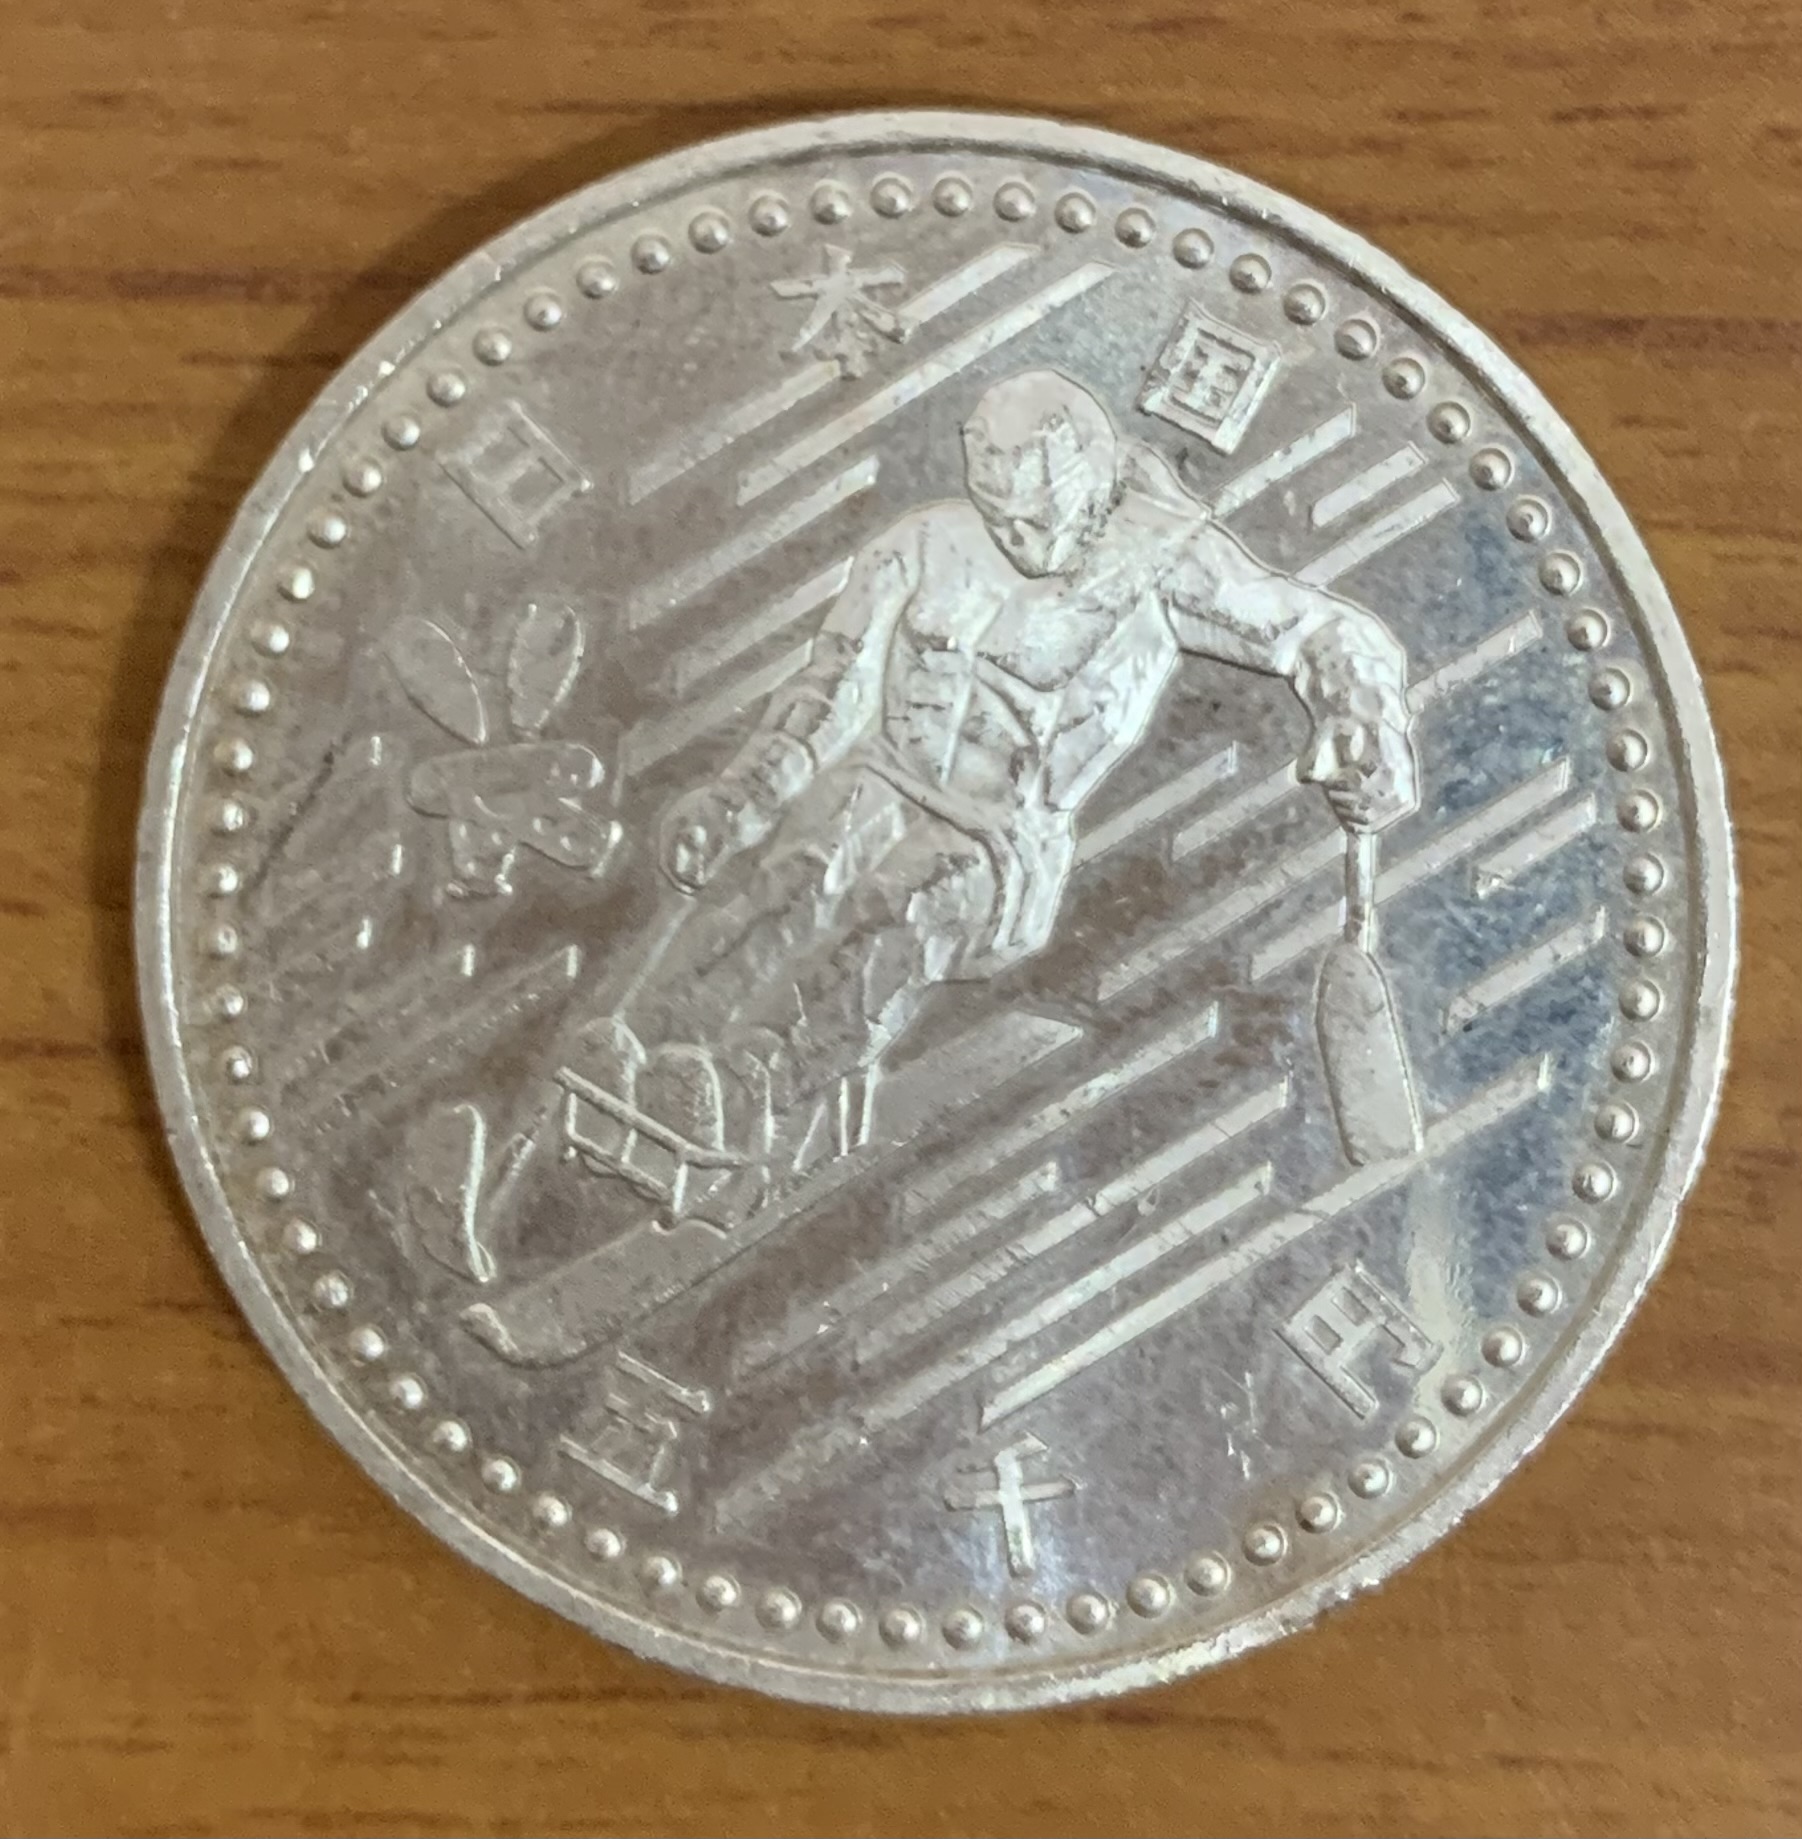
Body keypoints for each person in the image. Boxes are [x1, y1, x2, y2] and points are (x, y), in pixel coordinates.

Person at [558, 368, 1418, 1228]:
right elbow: (829, 694)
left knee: (899, 905)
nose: (1020, 537)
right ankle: (648, 1051)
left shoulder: (1165, 569)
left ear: (1093, 479)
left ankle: (750, 1091)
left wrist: (1364, 718)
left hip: (998, 843)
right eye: (999, 513)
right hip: (879, 781)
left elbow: (1324, 628)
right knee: (795, 877)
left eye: (1040, 517)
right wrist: (736, 801)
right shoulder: (922, 543)